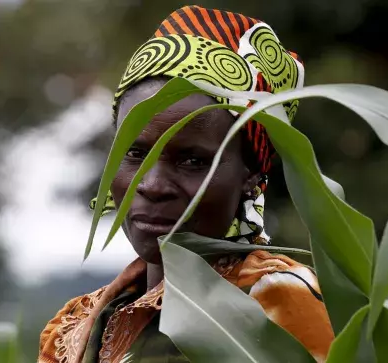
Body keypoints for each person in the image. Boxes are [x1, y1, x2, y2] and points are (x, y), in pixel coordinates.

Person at [38, 6, 334, 363]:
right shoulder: (75, 329)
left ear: (251, 174)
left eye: (193, 160)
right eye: (135, 153)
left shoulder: (276, 303)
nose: (152, 185)